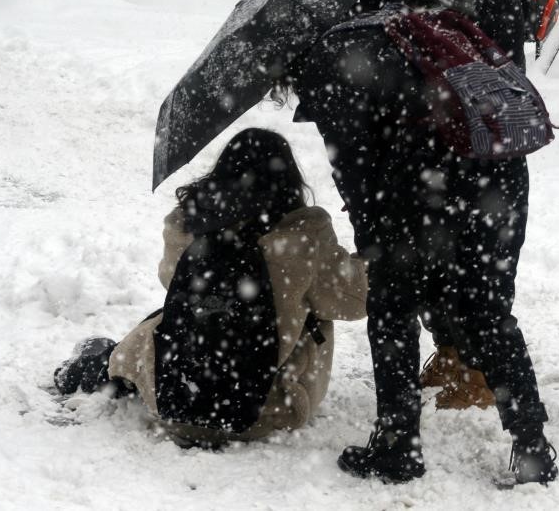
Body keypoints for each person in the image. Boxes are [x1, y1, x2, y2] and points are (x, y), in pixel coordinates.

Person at [287, 0, 557, 485]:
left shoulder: (346, 44)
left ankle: (397, 442)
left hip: (409, 193)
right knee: (487, 310)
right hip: (492, 187)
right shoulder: (459, 32)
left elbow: (352, 157)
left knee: (392, 310)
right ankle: (531, 441)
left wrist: (371, 226)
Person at [54, 129, 369, 447]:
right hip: (265, 410)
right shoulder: (304, 239)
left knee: (175, 315)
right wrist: (369, 247)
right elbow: (358, 300)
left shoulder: (189, 223)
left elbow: (169, 278)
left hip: (176, 400)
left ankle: (106, 366)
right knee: (315, 305)